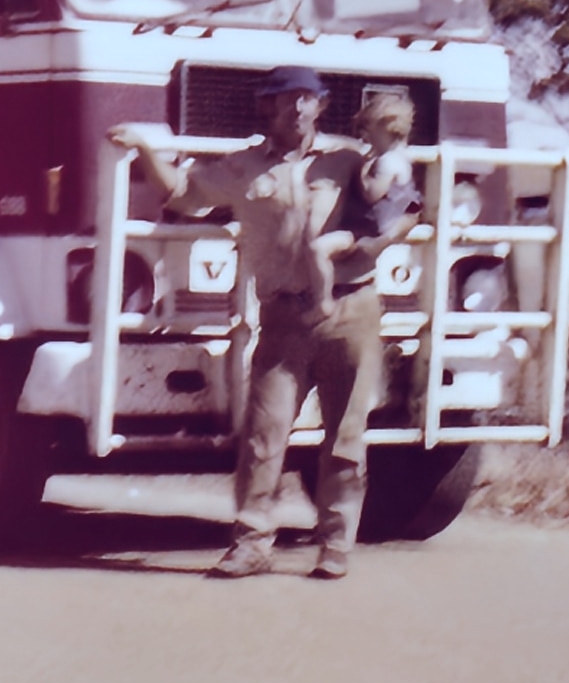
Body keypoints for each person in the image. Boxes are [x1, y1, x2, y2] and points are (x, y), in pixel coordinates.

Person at [114, 68, 420, 580]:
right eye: (286, 100)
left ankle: (335, 543)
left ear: (320, 107)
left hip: (352, 309)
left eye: (307, 100)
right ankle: (251, 542)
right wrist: (143, 148)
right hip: (283, 315)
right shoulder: (241, 167)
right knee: (264, 432)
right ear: (267, 106)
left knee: (345, 436)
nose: (297, 110)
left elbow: (408, 203)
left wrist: (382, 240)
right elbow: (181, 194)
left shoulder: (349, 158)